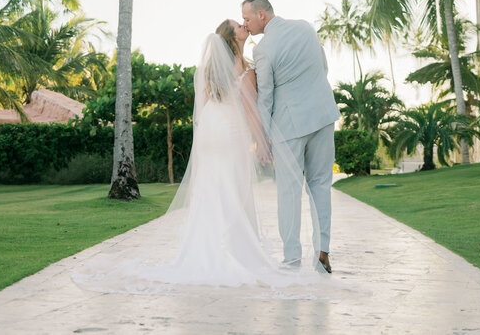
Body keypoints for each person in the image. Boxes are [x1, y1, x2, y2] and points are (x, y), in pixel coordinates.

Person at [73, 20, 326, 295]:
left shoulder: (208, 70)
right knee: (234, 186)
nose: (244, 25)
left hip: (209, 129)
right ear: (232, 38)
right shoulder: (244, 69)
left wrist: (205, 134)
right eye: (239, 25)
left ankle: (203, 250)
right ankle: (235, 251)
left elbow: (202, 107)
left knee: (211, 187)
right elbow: (251, 111)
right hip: (230, 130)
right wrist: (262, 143)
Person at [241, 0, 340, 273]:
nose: (246, 25)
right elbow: (324, 68)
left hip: (289, 127)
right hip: (323, 115)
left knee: (289, 191)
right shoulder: (306, 27)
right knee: (321, 184)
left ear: (262, 15)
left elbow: (266, 97)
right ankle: (322, 253)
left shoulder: (264, 49)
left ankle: (292, 256)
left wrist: (263, 137)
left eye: (247, 18)